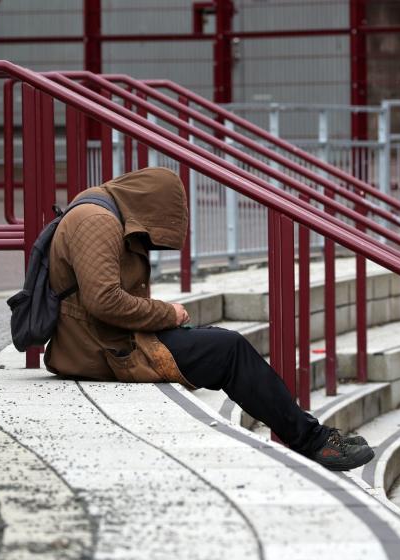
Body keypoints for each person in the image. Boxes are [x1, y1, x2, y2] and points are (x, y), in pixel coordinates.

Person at [44, 167, 375, 471]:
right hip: (101, 351)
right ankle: (312, 441)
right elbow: (103, 300)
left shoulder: (100, 214)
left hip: (108, 342)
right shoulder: (96, 221)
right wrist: (166, 312)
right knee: (228, 349)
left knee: (219, 341)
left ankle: (310, 435)